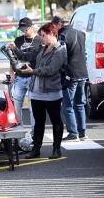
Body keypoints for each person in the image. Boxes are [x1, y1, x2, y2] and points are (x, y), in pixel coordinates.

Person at [10, 22, 67, 159]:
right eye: (40, 35)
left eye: (43, 35)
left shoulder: (59, 50)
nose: (41, 38)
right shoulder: (43, 48)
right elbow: (27, 57)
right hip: (36, 91)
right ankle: (36, 149)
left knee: (55, 120)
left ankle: (56, 149)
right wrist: (15, 49)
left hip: (51, 91)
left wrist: (32, 71)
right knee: (38, 121)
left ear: (52, 33)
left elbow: (51, 70)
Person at [52, 16, 88, 142]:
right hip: (82, 72)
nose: (53, 28)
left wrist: (59, 72)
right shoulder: (81, 33)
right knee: (79, 104)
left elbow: (63, 56)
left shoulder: (63, 35)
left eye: (54, 25)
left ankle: (73, 134)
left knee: (67, 106)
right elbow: (85, 53)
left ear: (59, 24)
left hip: (70, 74)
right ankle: (82, 133)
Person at [9, 17, 43, 137]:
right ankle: (19, 132)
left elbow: (34, 57)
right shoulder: (18, 40)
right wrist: (12, 72)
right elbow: (13, 58)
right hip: (19, 77)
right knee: (17, 106)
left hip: (32, 77)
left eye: (25, 29)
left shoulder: (39, 40)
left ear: (31, 28)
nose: (23, 32)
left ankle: (34, 134)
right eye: (21, 30)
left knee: (33, 108)